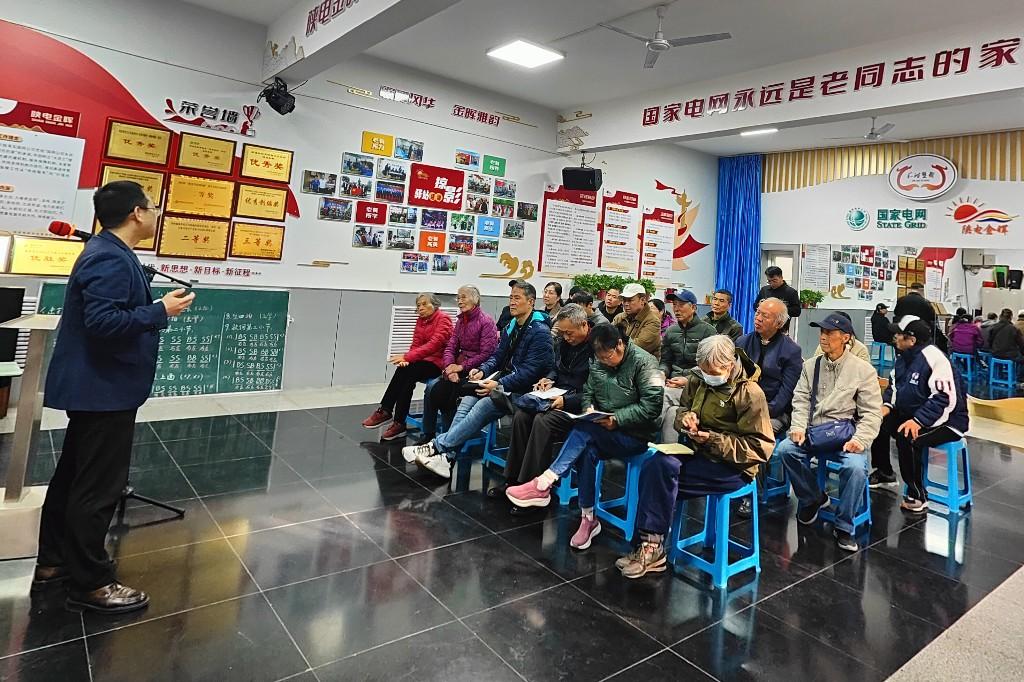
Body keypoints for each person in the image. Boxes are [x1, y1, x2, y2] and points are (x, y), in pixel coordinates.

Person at [35, 181, 195, 614]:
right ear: (136, 213)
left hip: (97, 387)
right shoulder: (108, 255)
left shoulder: (109, 250)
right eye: (153, 206)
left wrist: (152, 302)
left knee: (73, 478)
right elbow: (104, 323)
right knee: (97, 487)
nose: (157, 213)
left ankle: (54, 562)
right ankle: (91, 582)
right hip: (103, 388)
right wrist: (161, 310)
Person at [616, 335, 774, 578]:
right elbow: (682, 410)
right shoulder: (697, 379)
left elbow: (760, 448)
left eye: (713, 372)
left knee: (660, 480)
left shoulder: (749, 393)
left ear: (729, 365)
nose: (708, 376)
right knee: (655, 464)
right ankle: (650, 546)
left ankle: (650, 547)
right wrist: (686, 420)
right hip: (698, 453)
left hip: (733, 467)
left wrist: (712, 439)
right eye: (703, 370)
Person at [506, 324, 663, 549]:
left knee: (584, 431)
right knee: (585, 447)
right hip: (603, 429)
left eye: (608, 357)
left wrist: (617, 419)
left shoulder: (645, 363)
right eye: (601, 358)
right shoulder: (598, 361)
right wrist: (589, 409)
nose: (605, 362)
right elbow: (588, 390)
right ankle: (588, 517)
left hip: (635, 434)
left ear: (620, 344)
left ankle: (544, 482)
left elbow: (652, 406)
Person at [403, 280, 553, 479]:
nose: (512, 302)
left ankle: (437, 447)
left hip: (522, 390)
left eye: (517, 298)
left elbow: (530, 372)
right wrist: (482, 371)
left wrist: (499, 384)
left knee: (483, 404)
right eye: (511, 298)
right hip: (501, 382)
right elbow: (497, 357)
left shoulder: (539, 332)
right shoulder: (511, 326)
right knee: (466, 400)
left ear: (531, 302)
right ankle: (447, 458)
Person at [777, 313, 883, 553]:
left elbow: (872, 413)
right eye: (821, 332)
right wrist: (798, 427)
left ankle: (844, 525)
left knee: (855, 468)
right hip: (815, 432)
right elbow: (801, 400)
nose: (823, 337)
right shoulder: (811, 365)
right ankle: (813, 498)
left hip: (846, 436)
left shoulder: (862, 370)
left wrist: (860, 440)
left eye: (829, 333)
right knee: (786, 450)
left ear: (845, 338)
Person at [491, 304, 594, 509]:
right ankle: (513, 479)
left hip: (580, 406)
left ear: (584, 325)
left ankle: (535, 489)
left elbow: (596, 392)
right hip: (557, 396)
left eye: (569, 333)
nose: (566, 337)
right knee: (522, 415)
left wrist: (568, 401)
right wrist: (549, 379)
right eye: (563, 333)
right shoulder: (564, 343)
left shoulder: (597, 347)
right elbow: (555, 369)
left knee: (542, 421)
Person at [869, 316, 969, 511]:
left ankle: (917, 495)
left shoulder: (934, 359)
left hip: (948, 421)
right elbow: (894, 387)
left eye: (899, 334)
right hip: (915, 414)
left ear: (912, 340)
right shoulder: (903, 358)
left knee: (907, 435)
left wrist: (918, 421)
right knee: (878, 422)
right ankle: (885, 472)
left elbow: (943, 398)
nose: (895, 337)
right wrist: (886, 406)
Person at [735, 297, 803, 516]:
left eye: (765, 316)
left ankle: (751, 493)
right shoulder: (743, 341)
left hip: (775, 412)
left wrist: (761, 412)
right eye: (758, 313)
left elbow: (786, 393)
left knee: (757, 433)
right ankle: (727, 481)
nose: (758, 318)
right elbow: (733, 379)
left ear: (779, 323)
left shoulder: (791, 350)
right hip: (743, 406)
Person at [362, 293, 453, 440]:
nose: (420, 308)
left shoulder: (444, 319)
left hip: (438, 363)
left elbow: (434, 345)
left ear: (435, 305)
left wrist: (408, 357)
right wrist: (408, 360)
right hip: (421, 362)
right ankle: (392, 416)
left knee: (409, 371)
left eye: (424, 304)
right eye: (418, 305)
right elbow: (416, 344)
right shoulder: (421, 321)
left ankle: (392, 416)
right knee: (405, 370)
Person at [415, 285, 498, 445]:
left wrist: (461, 367)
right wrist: (449, 368)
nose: (459, 301)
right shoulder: (460, 321)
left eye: (463, 297)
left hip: (477, 370)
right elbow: (450, 347)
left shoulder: (486, 322)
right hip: (458, 368)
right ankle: (428, 433)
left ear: (475, 299)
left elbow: (486, 354)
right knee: (432, 387)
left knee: (447, 392)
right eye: (458, 298)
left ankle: (447, 439)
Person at [659, 290, 715, 443]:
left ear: (694, 307)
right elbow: (665, 360)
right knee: (671, 412)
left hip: (698, 385)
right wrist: (662, 373)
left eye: (681, 305)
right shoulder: (671, 331)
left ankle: (646, 435)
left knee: (662, 395)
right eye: (674, 305)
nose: (676, 309)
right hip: (672, 382)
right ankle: (668, 452)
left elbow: (711, 367)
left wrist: (687, 380)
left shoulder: (708, 331)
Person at [612, 282, 662, 359]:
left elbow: (638, 347)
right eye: (624, 300)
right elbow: (606, 336)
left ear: (642, 300)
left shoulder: (653, 321)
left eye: (630, 300)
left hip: (643, 363)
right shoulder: (619, 317)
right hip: (618, 360)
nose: (626, 304)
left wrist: (612, 345)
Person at [894, 282, 947, 353]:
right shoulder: (924, 301)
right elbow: (932, 316)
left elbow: (896, 312)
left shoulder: (901, 300)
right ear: (921, 290)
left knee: (903, 350)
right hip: (919, 331)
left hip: (903, 329)